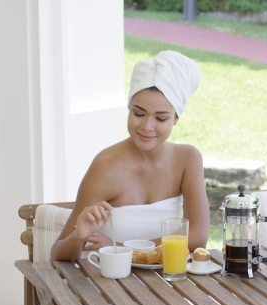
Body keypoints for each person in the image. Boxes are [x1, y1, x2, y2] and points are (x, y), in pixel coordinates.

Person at [50, 51, 209, 263]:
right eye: (138, 114)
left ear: (176, 118)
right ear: (129, 109)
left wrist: (120, 248)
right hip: (108, 288)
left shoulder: (188, 160)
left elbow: (197, 238)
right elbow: (57, 254)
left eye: (161, 118)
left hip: (168, 284)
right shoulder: (106, 165)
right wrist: (78, 238)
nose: (147, 126)